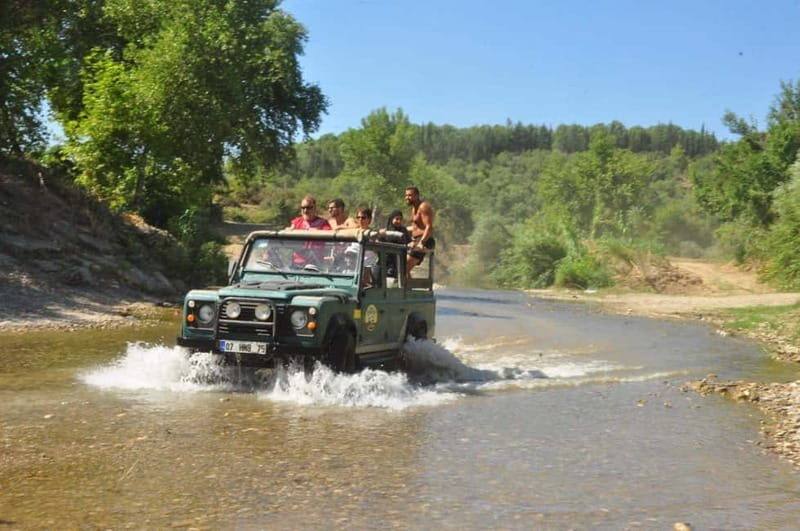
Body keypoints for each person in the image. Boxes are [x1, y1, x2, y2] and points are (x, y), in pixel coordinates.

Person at [404, 186, 435, 274]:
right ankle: (408, 285)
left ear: (417, 196)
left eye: (410, 195)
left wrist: (421, 242)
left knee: (404, 267)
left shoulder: (423, 207)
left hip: (425, 240)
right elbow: (415, 227)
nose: (407, 198)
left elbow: (428, 227)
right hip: (415, 240)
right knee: (400, 264)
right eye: (406, 195)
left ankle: (403, 285)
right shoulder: (414, 208)